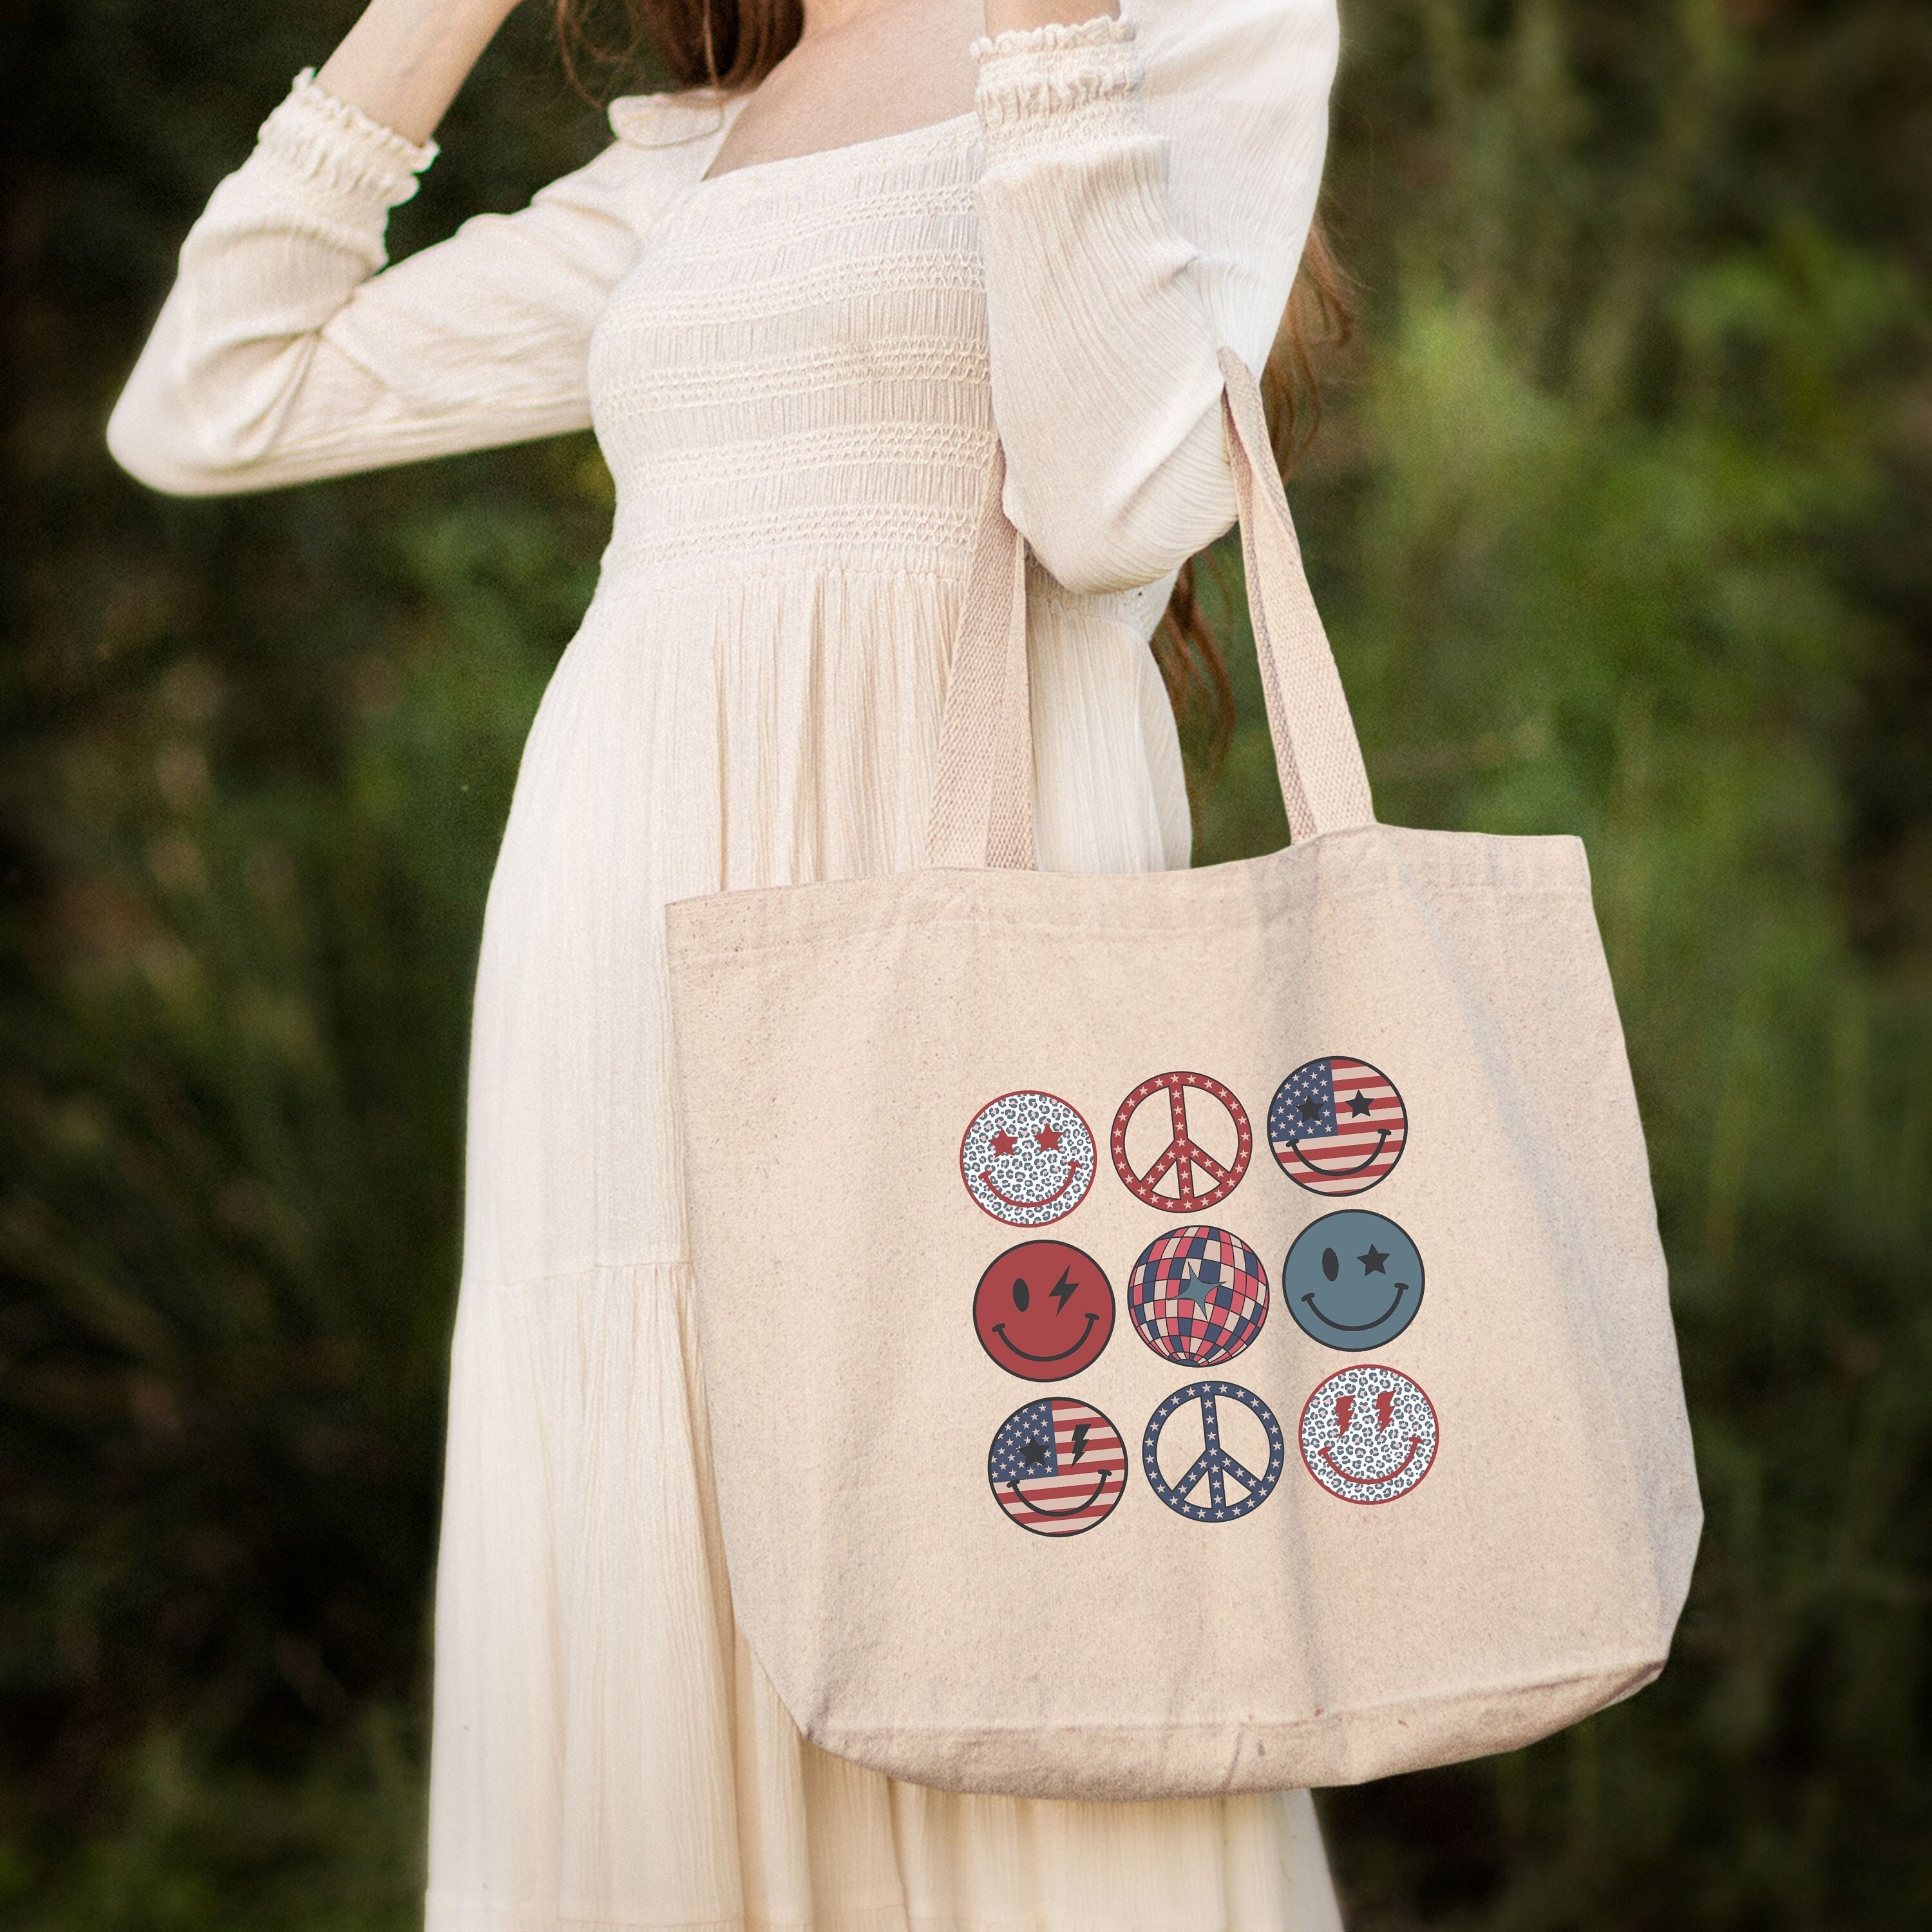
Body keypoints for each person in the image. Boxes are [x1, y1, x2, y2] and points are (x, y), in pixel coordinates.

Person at [108, 0, 1348, 1925]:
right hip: (634, 963)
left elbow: (1115, 510)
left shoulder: (1199, 29)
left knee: (1044, 1533)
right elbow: (210, 399)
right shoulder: (713, 137)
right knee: (659, 1551)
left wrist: (1042, 42)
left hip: (990, 946)